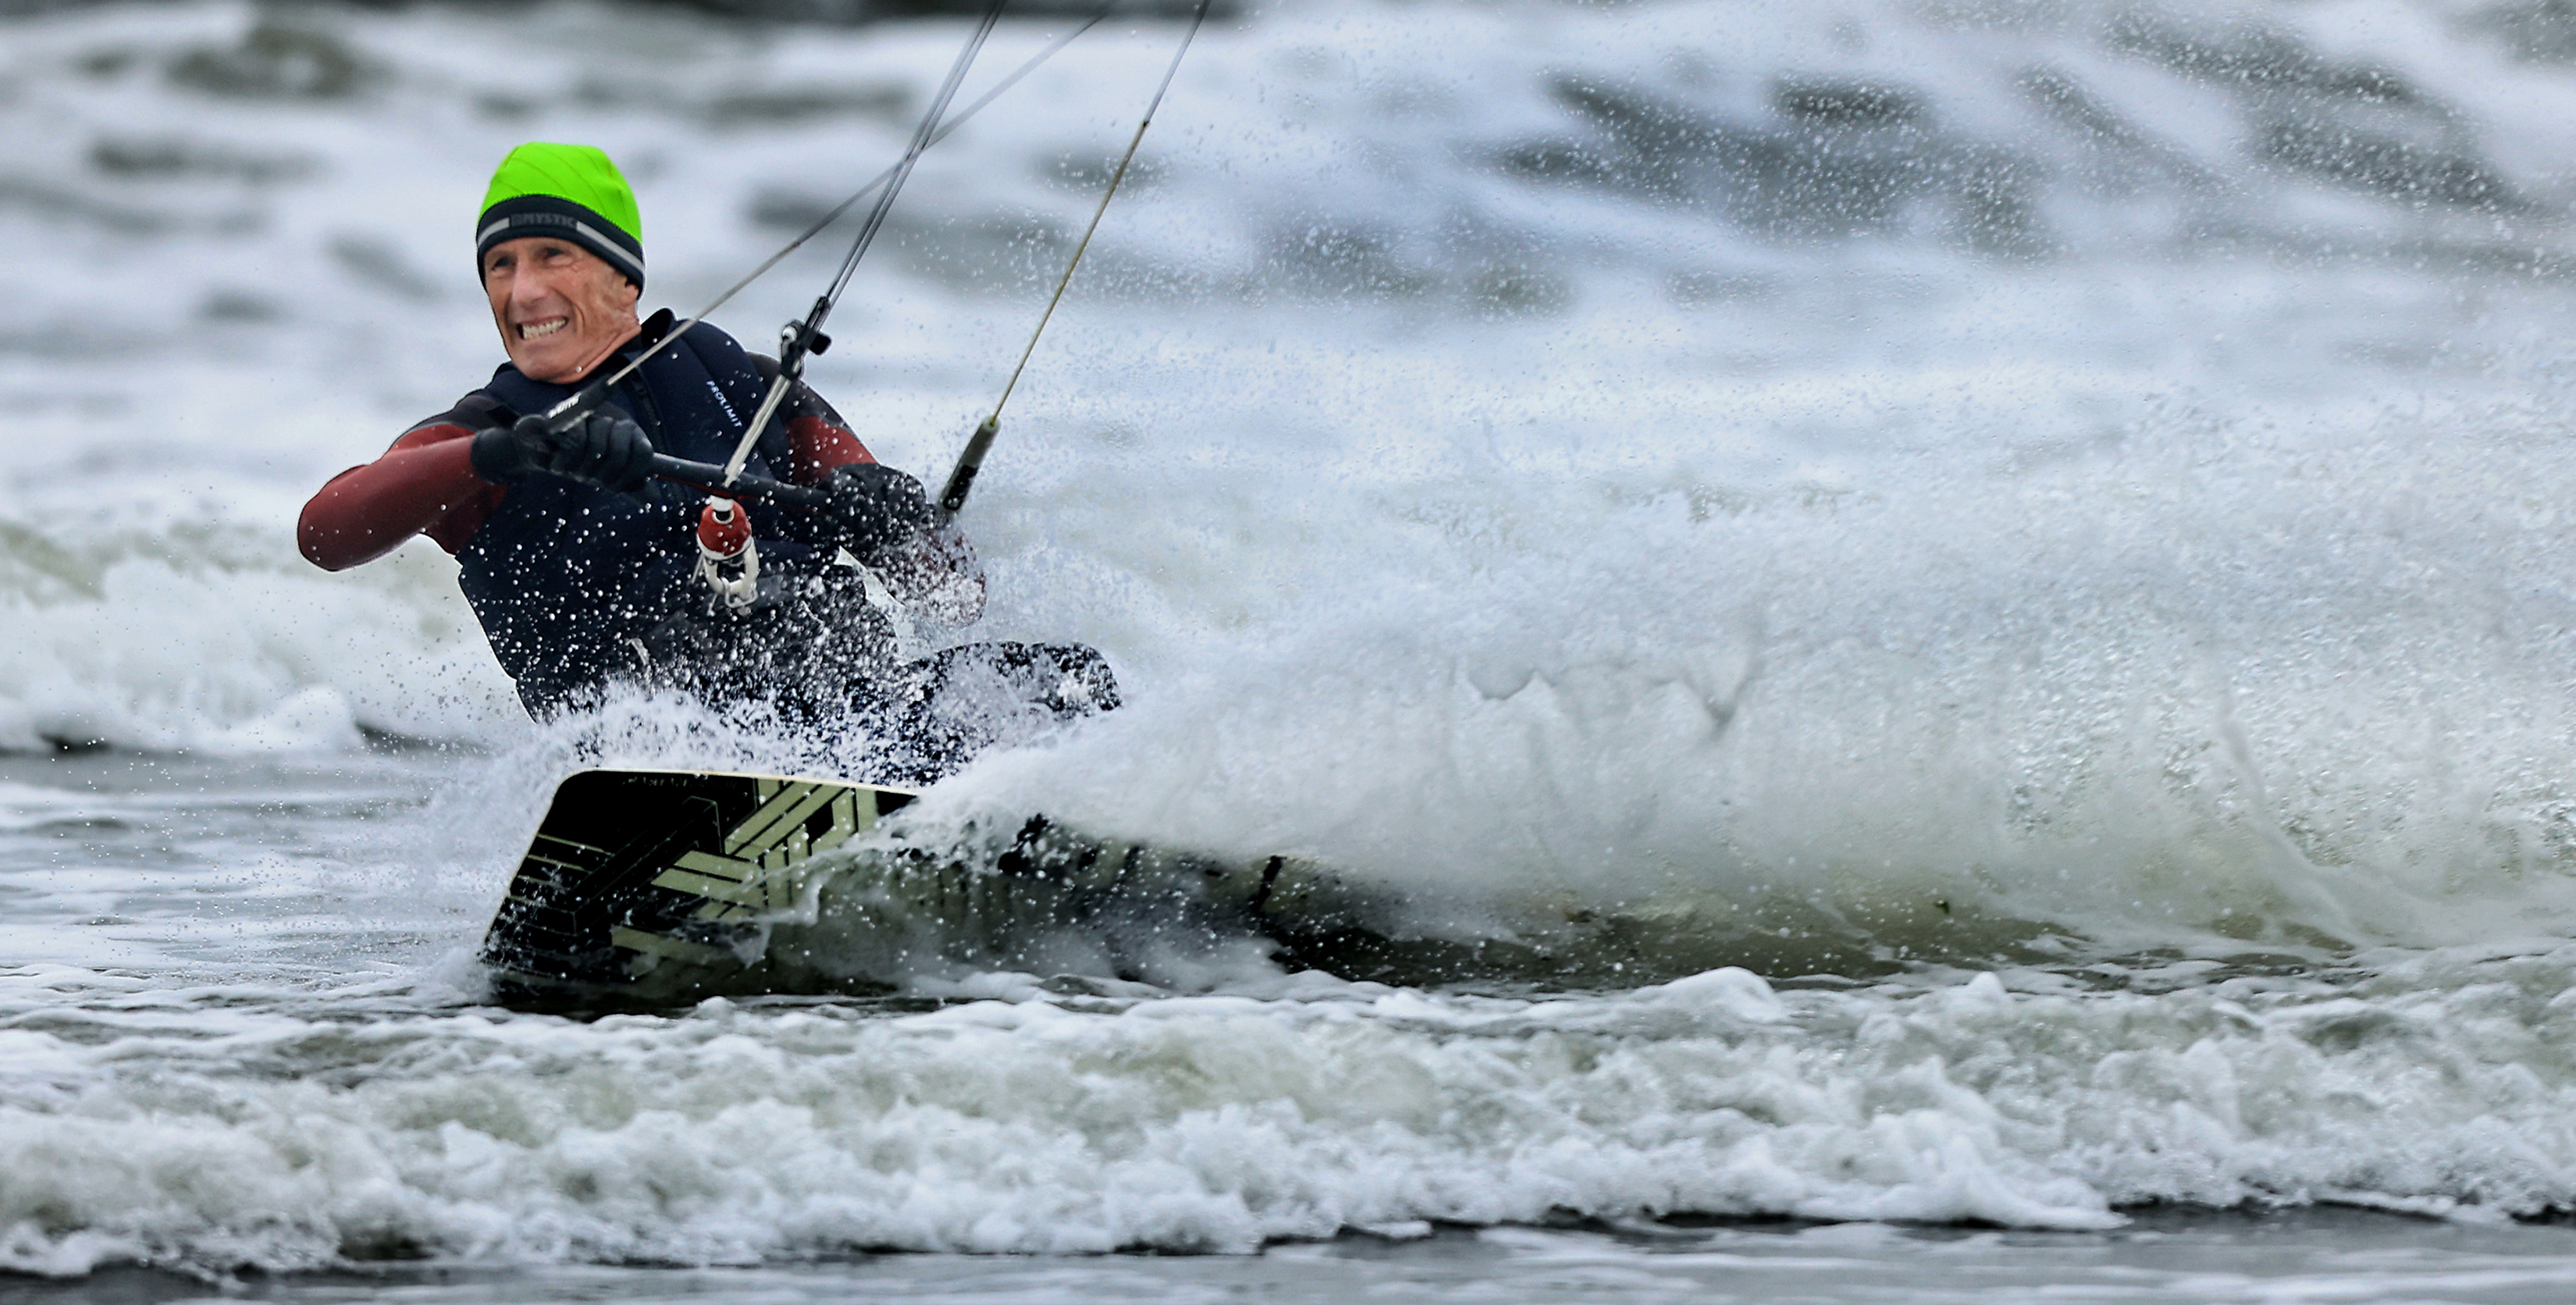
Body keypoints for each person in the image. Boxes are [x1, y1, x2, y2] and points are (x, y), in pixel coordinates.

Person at [300, 142, 1115, 782]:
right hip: (650, 766)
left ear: (623, 277)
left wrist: (883, 507)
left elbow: (953, 593)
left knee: (1067, 687)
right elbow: (325, 530)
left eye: (552, 256)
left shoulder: (753, 388)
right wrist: (501, 454)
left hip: (853, 732)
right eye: (500, 267)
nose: (520, 294)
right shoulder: (485, 432)